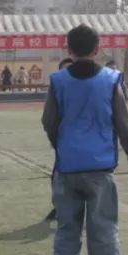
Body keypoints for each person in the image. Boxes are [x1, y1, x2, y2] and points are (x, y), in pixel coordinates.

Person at [42, 25, 128, 255]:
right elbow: (123, 123)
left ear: (68, 49)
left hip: (67, 167)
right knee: (104, 230)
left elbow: (49, 121)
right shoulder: (111, 80)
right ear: (97, 49)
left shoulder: (58, 81)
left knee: (67, 229)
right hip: (99, 167)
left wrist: (61, 145)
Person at [44, 57, 76, 223]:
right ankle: (58, 207)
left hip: (85, 143)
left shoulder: (87, 89)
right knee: (57, 177)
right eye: (64, 70)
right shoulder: (57, 90)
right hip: (64, 142)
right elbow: (49, 118)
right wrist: (55, 139)